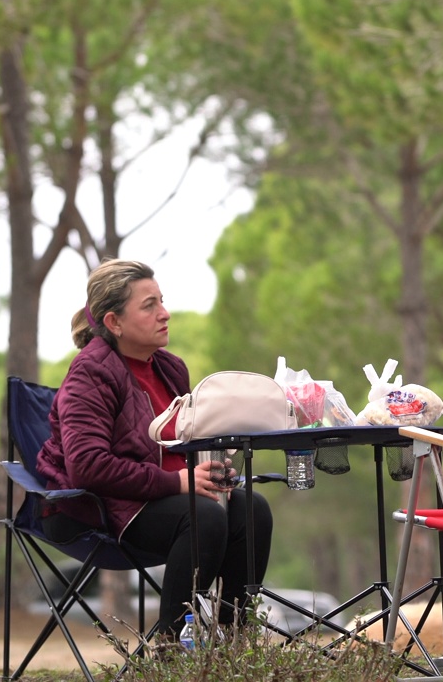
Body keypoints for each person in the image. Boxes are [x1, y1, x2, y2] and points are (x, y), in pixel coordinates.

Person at [35, 259, 273, 641]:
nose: (165, 314)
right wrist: (177, 481)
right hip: (98, 505)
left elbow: (181, 440)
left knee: (253, 508)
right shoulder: (90, 372)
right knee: (205, 516)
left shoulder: (170, 368)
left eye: (162, 301)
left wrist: (208, 465)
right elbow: (87, 467)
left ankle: (233, 642)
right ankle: (169, 649)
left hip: (162, 497)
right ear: (114, 322)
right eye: (149, 305)